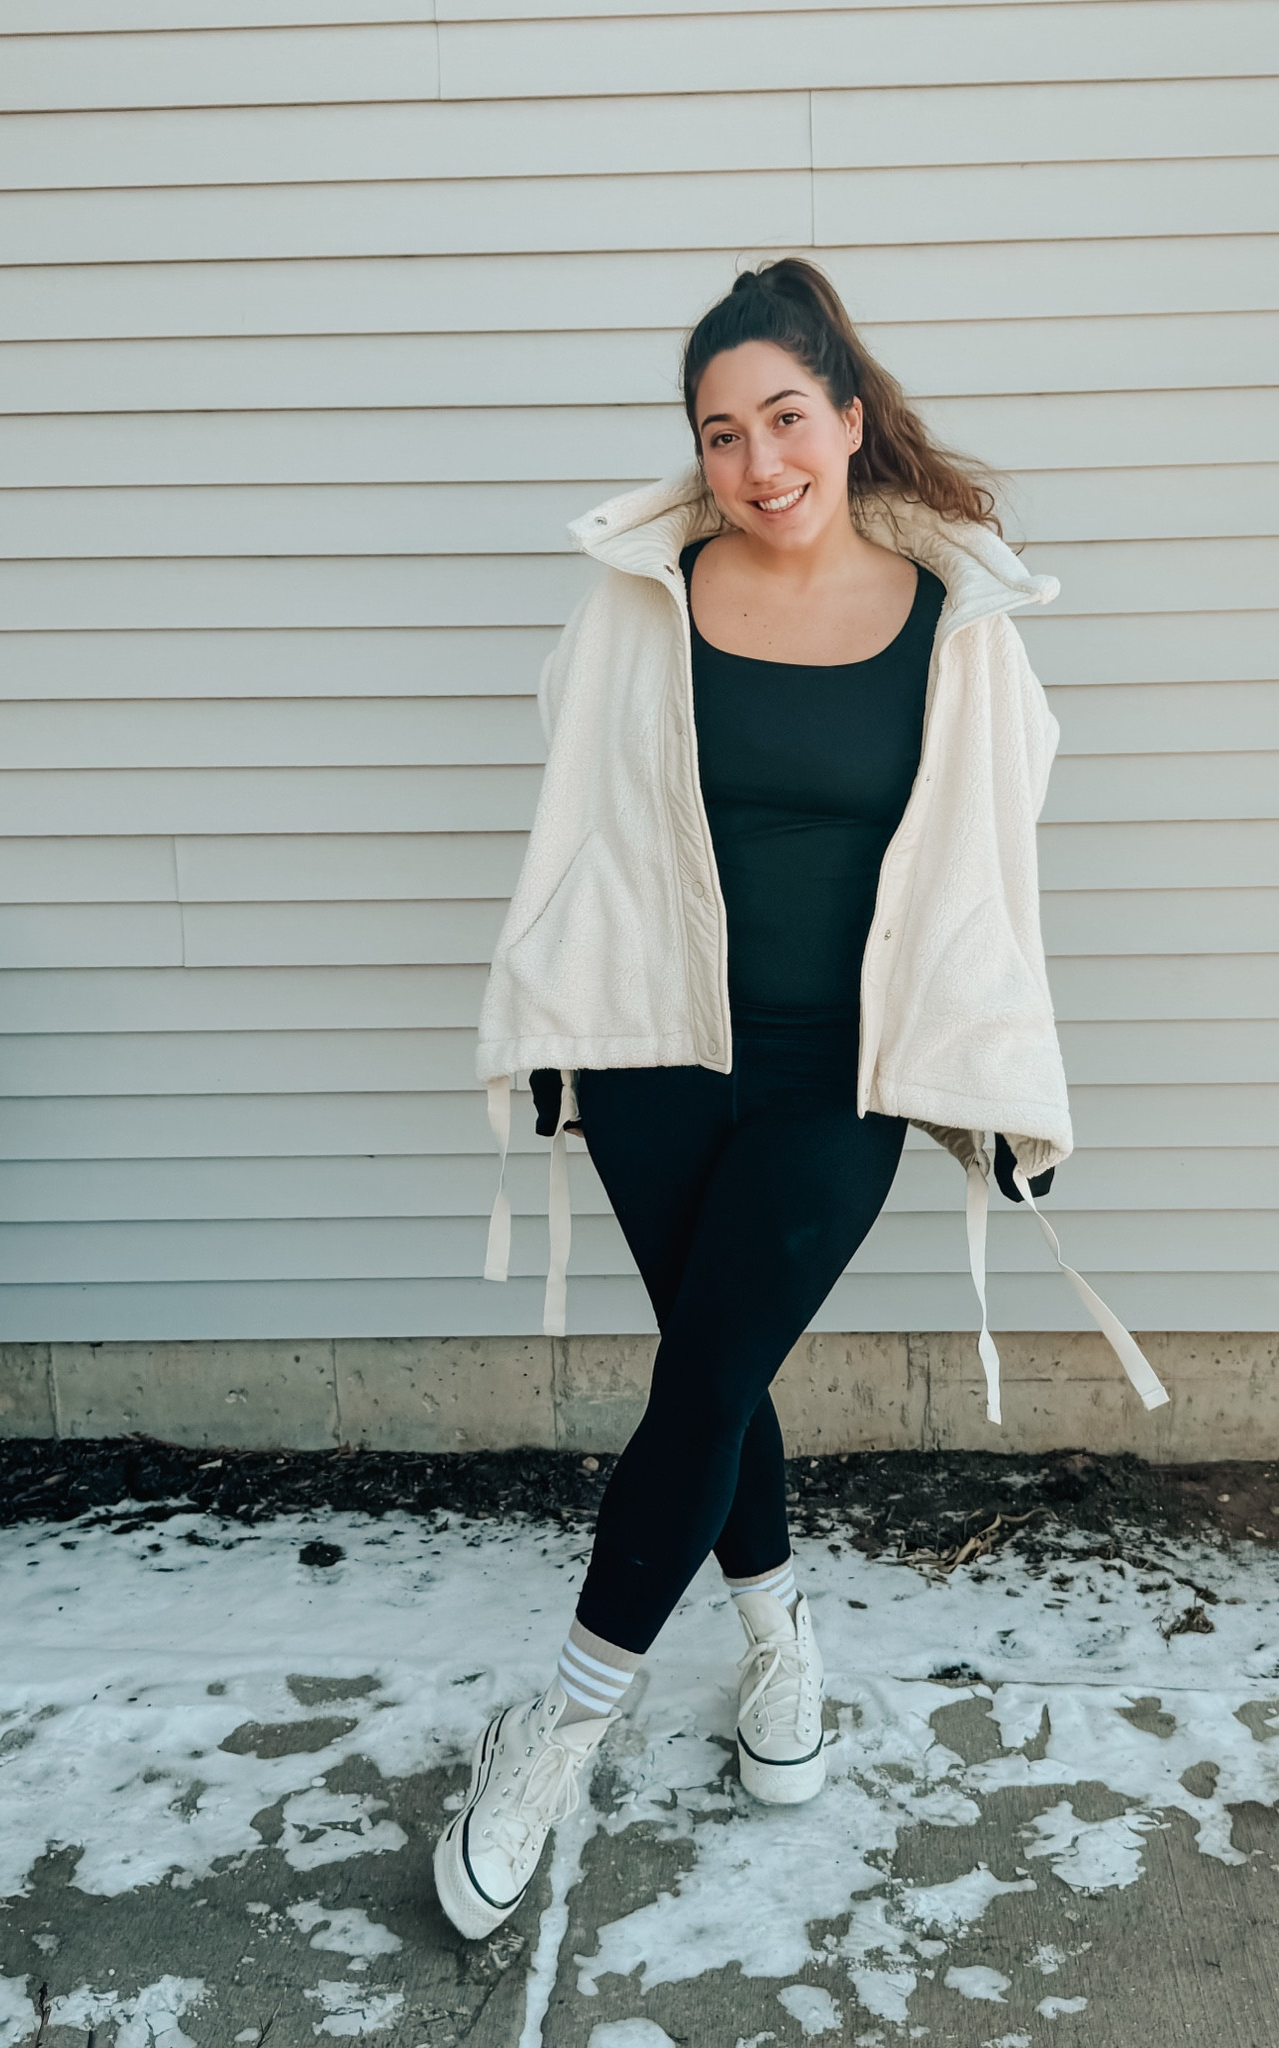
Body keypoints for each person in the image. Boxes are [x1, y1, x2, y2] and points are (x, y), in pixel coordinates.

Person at [434, 257, 1166, 1941]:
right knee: (719, 1361)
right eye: (721, 435)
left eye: (784, 418)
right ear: (696, 457)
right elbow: (582, 822)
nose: (760, 463)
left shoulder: (958, 626)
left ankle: (560, 1726)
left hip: (846, 1070)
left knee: (701, 1375)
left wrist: (991, 1062)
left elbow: (989, 861)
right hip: (650, 1047)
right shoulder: (644, 598)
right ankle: (778, 1651)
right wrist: (552, 1009)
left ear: (848, 416)